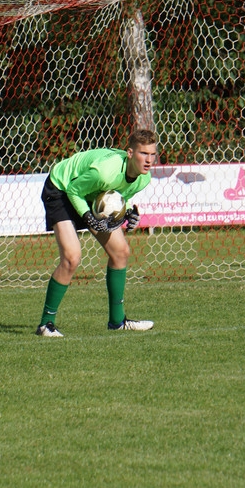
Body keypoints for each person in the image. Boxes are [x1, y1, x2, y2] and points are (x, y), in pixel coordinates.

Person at [35, 129, 158, 337]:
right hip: (62, 188)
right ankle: (46, 324)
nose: (148, 160)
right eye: (143, 154)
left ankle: (117, 322)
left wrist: (127, 213)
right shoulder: (105, 171)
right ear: (129, 153)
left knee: (121, 252)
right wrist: (87, 217)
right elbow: (74, 190)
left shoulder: (143, 178)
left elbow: (119, 196)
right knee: (72, 257)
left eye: (152, 154)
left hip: (91, 195)